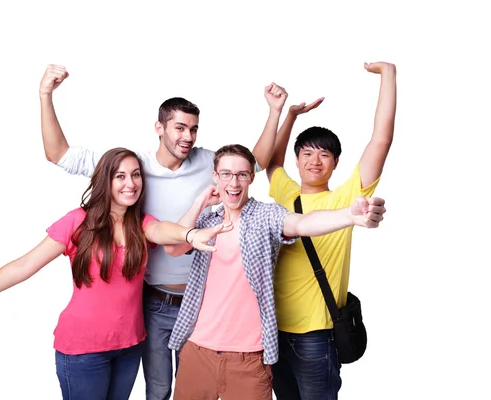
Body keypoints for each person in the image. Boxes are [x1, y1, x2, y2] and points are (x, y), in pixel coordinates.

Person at [38, 64, 288, 399]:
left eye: (194, 129)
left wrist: (274, 112)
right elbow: (58, 154)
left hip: (203, 302)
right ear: (159, 127)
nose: (188, 137)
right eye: (180, 128)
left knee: (194, 388)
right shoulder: (132, 168)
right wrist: (46, 95)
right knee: (157, 388)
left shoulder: (210, 164)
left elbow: (253, 161)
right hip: (154, 300)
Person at [0, 147, 233, 400]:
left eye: (136, 175)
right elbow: (21, 267)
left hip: (128, 347)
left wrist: (191, 233)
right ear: (105, 181)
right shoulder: (77, 222)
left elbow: (164, 231)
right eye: (120, 176)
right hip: (83, 350)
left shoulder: (141, 224)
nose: (131, 183)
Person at [165, 144, 387, 400]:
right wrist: (201, 201)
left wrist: (350, 215)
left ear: (251, 178)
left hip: (248, 358)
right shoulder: (206, 221)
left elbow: (302, 223)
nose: (233, 182)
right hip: (198, 350)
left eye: (241, 174)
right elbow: (173, 246)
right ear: (215, 177)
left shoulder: (265, 216)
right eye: (226, 174)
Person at [266, 61, 397, 399]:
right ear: (297, 160)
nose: (314, 160)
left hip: (317, 336)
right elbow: (272, 162)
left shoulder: (346, 198)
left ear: (336, 162)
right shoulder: (286, 193)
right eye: (307, 153)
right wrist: (291, 115)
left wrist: (388, 76)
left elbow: (380, 141)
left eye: (324, 155)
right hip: (272, 332)